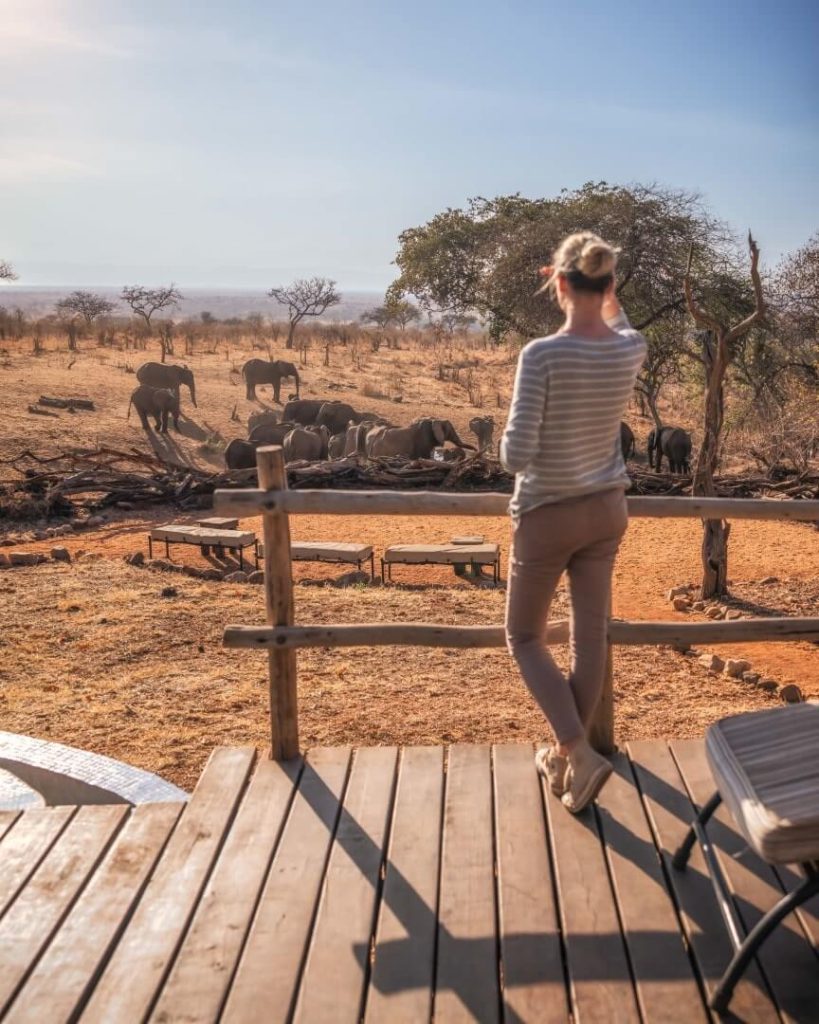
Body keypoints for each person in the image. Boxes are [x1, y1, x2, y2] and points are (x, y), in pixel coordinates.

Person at [501, 231, 646, 813]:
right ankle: (568, 761)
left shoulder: (541, 355)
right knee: (591, 639)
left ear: (557, 282)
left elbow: (516, 455)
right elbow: (620, 320)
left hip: (546, 515)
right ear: (609, 285)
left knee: (524, 636)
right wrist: (604, 293)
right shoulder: (629, 348)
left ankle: (575, 751)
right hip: (607, 512)